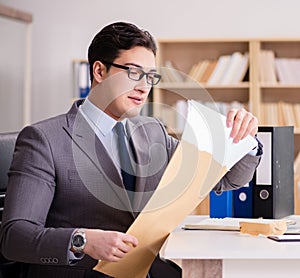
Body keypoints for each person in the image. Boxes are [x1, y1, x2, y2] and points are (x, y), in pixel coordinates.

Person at [0, 22, 262, 278]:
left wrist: (245, 141)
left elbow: (226, 180)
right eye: (134, 73)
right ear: (99, 71)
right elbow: (15, 237)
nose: (143, 86)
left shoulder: (152, 132)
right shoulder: (44, 139)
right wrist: (82, 240)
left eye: (150, 76)